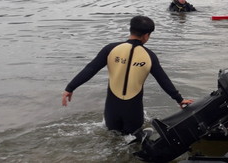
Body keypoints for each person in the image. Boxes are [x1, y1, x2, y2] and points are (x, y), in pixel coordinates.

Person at [61, 15, 194, 136]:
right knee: (132, 141)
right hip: (133, 110)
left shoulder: (110, 49)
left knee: (112, 138)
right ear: (147, 35)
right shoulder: (149, 56)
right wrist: (179, 99)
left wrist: (70, 88)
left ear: (131, 30)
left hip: (112, 109)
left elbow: (90, 69)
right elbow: (163, 80)